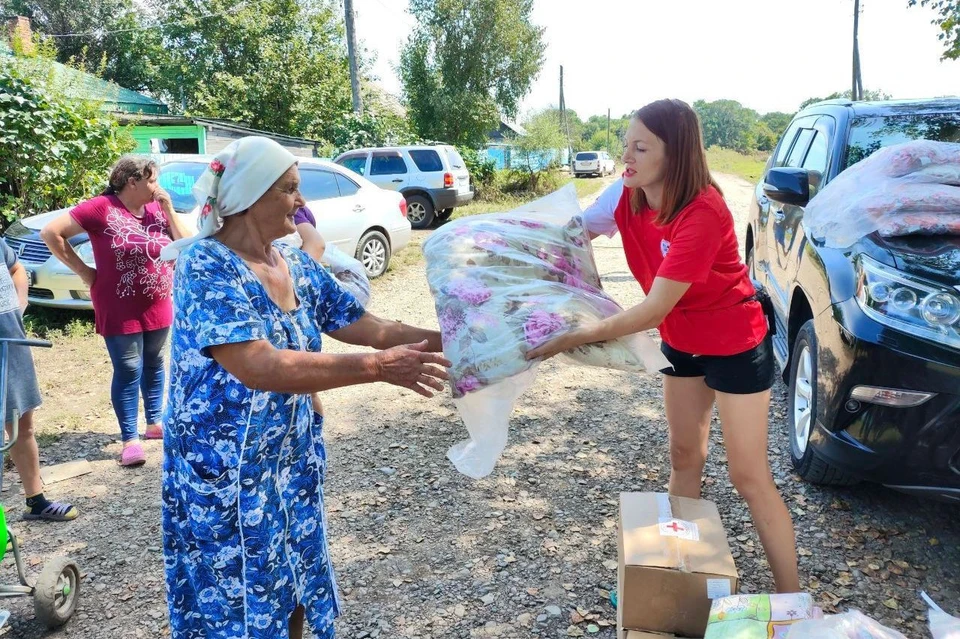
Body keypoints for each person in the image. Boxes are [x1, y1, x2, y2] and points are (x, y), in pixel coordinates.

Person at [158, 136, 450, 639]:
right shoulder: (206, 266)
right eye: (291, 190)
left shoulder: (293, 265)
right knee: (241, 600)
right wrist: (377, 368)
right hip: (226, 473)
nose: (302, 202)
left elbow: (372, 327)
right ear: (251, 196)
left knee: (294, 578)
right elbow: (258, 365)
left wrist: (467, 338)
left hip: (289, 460)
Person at [527, 99, 799, 593]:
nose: (625, 156)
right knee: (683, 456)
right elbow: (568, 235)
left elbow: (651, 311)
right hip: (681, 342)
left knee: (748, 475)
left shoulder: (703, 211)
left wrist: (570, 338)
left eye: (640, 146)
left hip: (734, 341)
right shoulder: (623, 195)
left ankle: (793, 600)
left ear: (674, 156)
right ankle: (682, 580)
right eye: (625, 144)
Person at [41, 156, 193, 467]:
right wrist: (84, 272)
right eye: (152, 180)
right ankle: (129, 438)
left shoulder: (156, 207)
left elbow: (186, 244)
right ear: (131, 181)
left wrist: (168, 210)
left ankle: (153, 423)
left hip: (159, 300)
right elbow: (51, 233)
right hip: (118, 303)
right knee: (128, 368)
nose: (157, 186)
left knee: (154, 361)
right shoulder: (101, 207)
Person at [1, 238, 78, 521]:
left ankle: (36, 501)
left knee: (22, 425)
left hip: (11, 345)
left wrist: (20, 303)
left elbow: (16, 269)